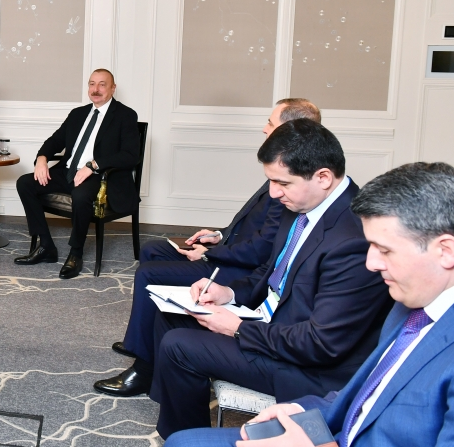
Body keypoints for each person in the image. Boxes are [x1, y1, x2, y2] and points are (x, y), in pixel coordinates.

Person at [114, 120, 392, 438]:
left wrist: (238, 328)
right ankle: (183, 428)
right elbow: (271, 271)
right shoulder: (302, 203)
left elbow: (320, 344)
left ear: (323, 177)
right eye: (271, 181)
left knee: (180, 346)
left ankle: (187, 439)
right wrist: (228, 294)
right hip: (271, 322)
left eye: (282, 183)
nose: (273, 193)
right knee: (172, 317)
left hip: (309, 367)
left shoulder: (354, 239)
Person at [164, 162, 454, 447]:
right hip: (335, 422)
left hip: (317, 392)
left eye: (384, 250)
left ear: (446, 251)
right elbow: (369, 389)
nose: (371, 263)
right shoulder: (410, 305)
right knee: (181, 442)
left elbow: (323, 344)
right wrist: (301, 409)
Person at [98, 99, 319, 388]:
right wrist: (217, 235)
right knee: (152, 249)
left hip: (239, 269)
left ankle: (144, 366)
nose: (264, 128)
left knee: (149, 273)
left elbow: (262, 249)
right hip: (230, 252)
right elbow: (250, 226)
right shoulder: (282, 171)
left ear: (290, 129)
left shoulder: (294, 184)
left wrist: (212, 253)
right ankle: (141, 341)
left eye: (270, 122)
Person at [14, 69, 140, 279]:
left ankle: (76, 253)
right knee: (25, 183)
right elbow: (55, 141)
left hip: (100, 177)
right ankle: (46, 246)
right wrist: (42, 158)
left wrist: (93, 165)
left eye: (102, 84)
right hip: (68, 171)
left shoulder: (125, 115)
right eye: (92, 84)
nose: (95, 89)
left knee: (80, 195)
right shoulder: (78, 114)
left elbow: (130, 155)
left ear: (113, 88)